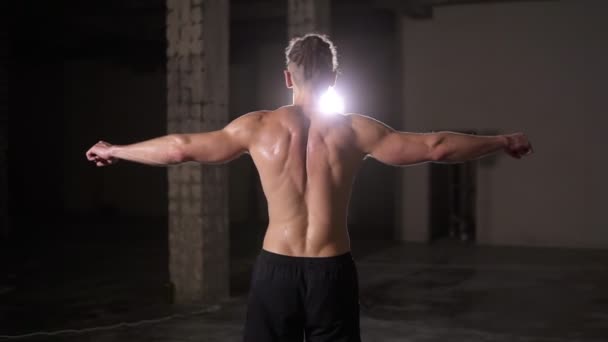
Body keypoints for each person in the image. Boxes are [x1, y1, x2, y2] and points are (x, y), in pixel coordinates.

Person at [86, 33, 533, 342]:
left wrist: (118, 149)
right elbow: (435, 147)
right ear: (335, 78)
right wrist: (500, 141)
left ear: (288, 77)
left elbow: (181, 148)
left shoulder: (258, 127)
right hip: (330, 270)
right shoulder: (356, 130)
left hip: (275, 270)